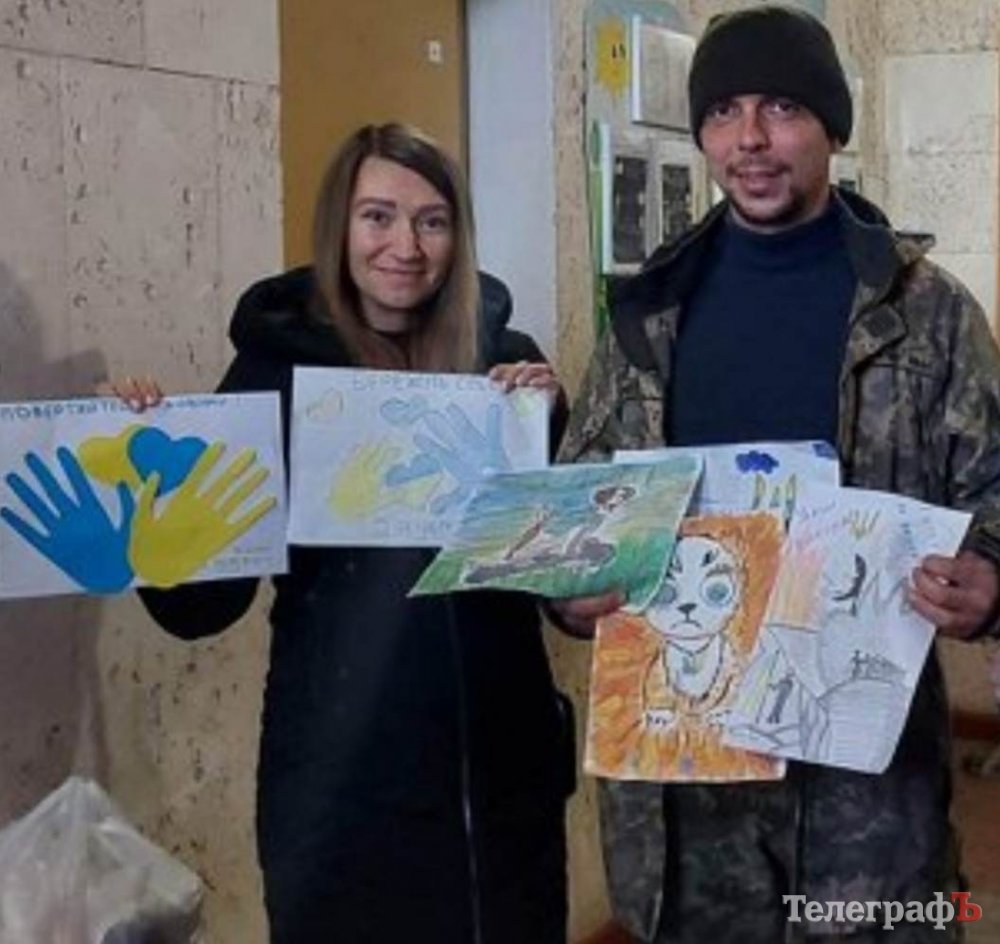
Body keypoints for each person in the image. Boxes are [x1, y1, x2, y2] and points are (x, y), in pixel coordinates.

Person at [549, 6, 1000, 943]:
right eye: (723, 112)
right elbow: (583, 491)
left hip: (864, 794)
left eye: (782, 108)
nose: (749, 139)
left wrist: (991, 575)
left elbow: (994, 492)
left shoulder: (928, 315)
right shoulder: (648, 313)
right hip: (684, 786)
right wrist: (571, 590)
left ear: (832, 127)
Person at [117, 123, 575, 944]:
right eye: (378, 217)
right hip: (337, 793)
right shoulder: (272, 374)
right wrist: (152, 494)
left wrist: (549, 432)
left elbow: (564, 583)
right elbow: (200, 607)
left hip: (501, 788)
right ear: (340, 227)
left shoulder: (506, 366)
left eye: (432, 221)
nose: (406, 246)